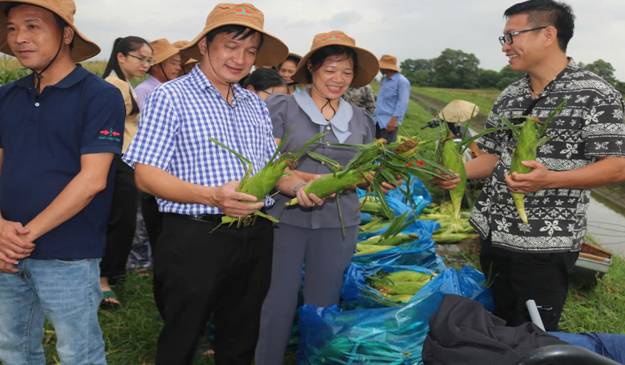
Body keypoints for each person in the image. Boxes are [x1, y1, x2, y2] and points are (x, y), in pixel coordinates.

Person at [437, 0, 625, 331]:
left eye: (512, 36)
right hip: (494, 237)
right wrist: (458, 175)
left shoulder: (596, 94)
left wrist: (549, 179)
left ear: (548, 34)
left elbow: (617, 167)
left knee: (533, 334)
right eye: (503, 39)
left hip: (542, 247)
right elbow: (492, 157)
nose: (506, 47)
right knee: (500, 325)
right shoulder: (510, 95)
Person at [122, 3, 288, 364]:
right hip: (196, 237)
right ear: (204, 45)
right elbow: (145, 174)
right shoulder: (172, 96)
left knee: (241, 337)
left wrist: (310, 183)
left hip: (256, 234)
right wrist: (212, 196)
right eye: (230, 45)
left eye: (250, 51)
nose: (240, 58)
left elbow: (272, 170)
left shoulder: (253, 104)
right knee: (182, 336)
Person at [0, 0, 125, 363]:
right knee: (12, 348)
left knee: (78, 352)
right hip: (7, 251)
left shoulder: (100, 96)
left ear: (66, 33)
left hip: (69, 253)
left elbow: (92, 180)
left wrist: (21, 238)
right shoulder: (7, 96)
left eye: (33, 26)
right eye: (11, 28)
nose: (19, 38)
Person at [255, 30, 382, 365]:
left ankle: (311, 359)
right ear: (311, 68)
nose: (338, 80)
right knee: (277, 299)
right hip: (285, 217)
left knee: (323, 302)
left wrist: (376, 178)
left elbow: (366, 170)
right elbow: (266, 163)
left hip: (338, 221)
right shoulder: (282, 107)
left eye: (347, 72)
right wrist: (295, 183)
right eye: (330, 70)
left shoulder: (362, 120)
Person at [99, 36, 153, 307]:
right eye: (141, 58)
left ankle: (112, 275)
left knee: (125, 221)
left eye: (148, 59)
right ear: (121, 57)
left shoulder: (125, 85)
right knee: (120, 221)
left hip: (128, 161)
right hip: (118, 161)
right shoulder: (112, 87)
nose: (146, 64)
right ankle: (103, 280)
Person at [132, 38, 182, 265]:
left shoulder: (168, 90)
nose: (177, 68)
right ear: (157, 65)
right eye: (172, 63)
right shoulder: (146, 91)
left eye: (178, 63)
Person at [374, 54, 410, 142]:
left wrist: (393, 121)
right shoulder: (384, 80)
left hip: (388, 122)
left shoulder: (402, 81)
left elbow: (403, 102)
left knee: (387, 150)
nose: (380, 69)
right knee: (376, 148)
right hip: (377, 120)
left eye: (381, 67)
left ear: (387, 67)